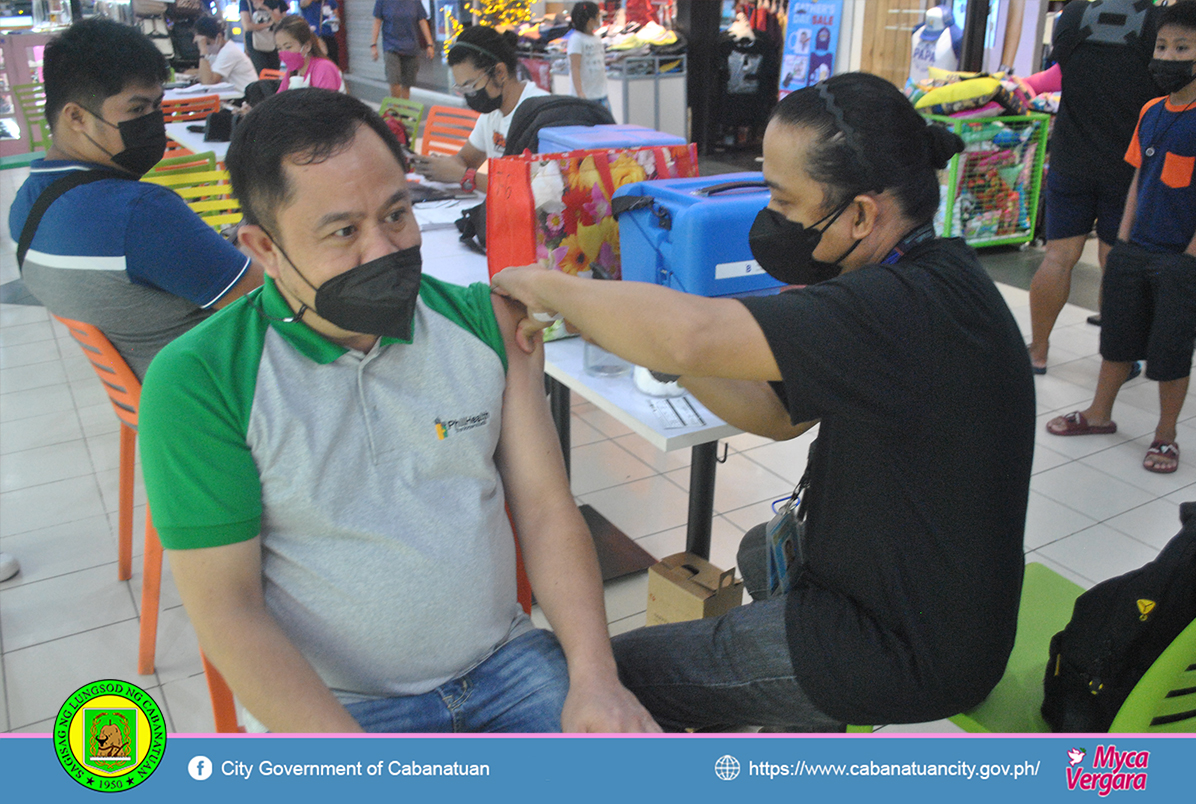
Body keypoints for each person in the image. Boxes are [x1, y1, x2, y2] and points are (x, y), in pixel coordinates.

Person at [492, 73, 1036, 731]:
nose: (771, 220)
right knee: (757, 550)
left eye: (783, 201)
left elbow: (694, 335)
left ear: (861, 214)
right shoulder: (920, 275)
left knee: (609, 680)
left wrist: (545, 285)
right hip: (913, 600)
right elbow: (776, 416)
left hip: (896, 647)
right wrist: (649, 344)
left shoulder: (904, 308)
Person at [137, 88, 659, 735]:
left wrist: (595, 677)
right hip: (340, 706)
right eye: (344, 232)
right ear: (264, 248)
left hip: (506, 662)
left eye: (396, 214)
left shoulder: (484, 324)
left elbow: (548, 510)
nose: (384, 251)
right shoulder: (204, 381)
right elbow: (227, 609)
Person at [8, 18, 261, 381]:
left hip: (150, 392)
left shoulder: (25, 206)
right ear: (76, 116)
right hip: (221, 396)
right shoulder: (139, 212)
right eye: (137, 109)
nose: (154, 122)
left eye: (157, 106)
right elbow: (264, 298)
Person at [1047, 1, 1196, 474]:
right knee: (1117, 338)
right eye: (1161, 46)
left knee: (1170, 352)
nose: (1168, 56)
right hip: (1135, 248)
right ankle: (1099, 413)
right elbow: (1139, 177)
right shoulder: (1152, 110)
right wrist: (1126, 238)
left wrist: (1190, 257)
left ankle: (1166, 435)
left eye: (1182, 47)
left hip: (1181, 258)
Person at [1026, 0, 1160, 373]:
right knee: (1113, 264)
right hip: (1128, 164)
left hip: (1072, 155)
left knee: (1057, 257)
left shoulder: (1072, 16)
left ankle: (1038, 352)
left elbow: (1062, 67)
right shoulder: (1156, 23)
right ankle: (1116, 362)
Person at [410, 25, 548, 195]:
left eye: (470, 86)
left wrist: (464, 176)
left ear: (500, 72)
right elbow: (465, 159)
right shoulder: (492, 113)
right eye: (462, 88)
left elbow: (532, 190)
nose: (469, 95)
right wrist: (438, 167)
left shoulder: (541, 113)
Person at [371, 0, 435, 100]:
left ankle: (404, 112)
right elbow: (377, 21)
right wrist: (373, 45)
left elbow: (422, 21)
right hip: (391, 46)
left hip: (411, 48)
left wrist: (429, 44)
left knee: (407, 84)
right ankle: (396, 111)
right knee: (394, 81)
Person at [274, 14, 344, 93]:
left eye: (288, 47)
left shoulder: (324, 68)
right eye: (279, 48)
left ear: (307, 46)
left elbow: (326, 103)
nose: (283, 53)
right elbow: (278, 100)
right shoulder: (292, 72)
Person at [192, 15, 258, 94]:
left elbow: (208, 82)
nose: (206, 46)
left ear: (219, 37)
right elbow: (206, 73)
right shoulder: (217, 52)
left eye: (207, 43)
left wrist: (203, 51)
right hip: (236, 95)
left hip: (246, 97)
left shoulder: (229, 51)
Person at [568, 2, 608, 110]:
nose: (600, 18)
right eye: (598, 15)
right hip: (585, 97)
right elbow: (575, 67)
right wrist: (580, 92)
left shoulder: (597, 37)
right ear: (590, 21)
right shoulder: (576, 39)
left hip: (601, 94)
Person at [240, 0, 288, 76]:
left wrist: (266, 8)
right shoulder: (246, 2)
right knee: (261, 74)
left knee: (274, 73)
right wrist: (268, 24)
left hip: (274, 42)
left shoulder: (275, 2)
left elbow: (281, 21)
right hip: (255, 44)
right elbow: (247, 26)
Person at [299, 0, 340, 65]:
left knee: (333, 62)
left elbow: (336, 16)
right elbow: (303, 4)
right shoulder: (307, 2)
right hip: (313, 37)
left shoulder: (330, 2)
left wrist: (332, 16)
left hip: (328, 36)